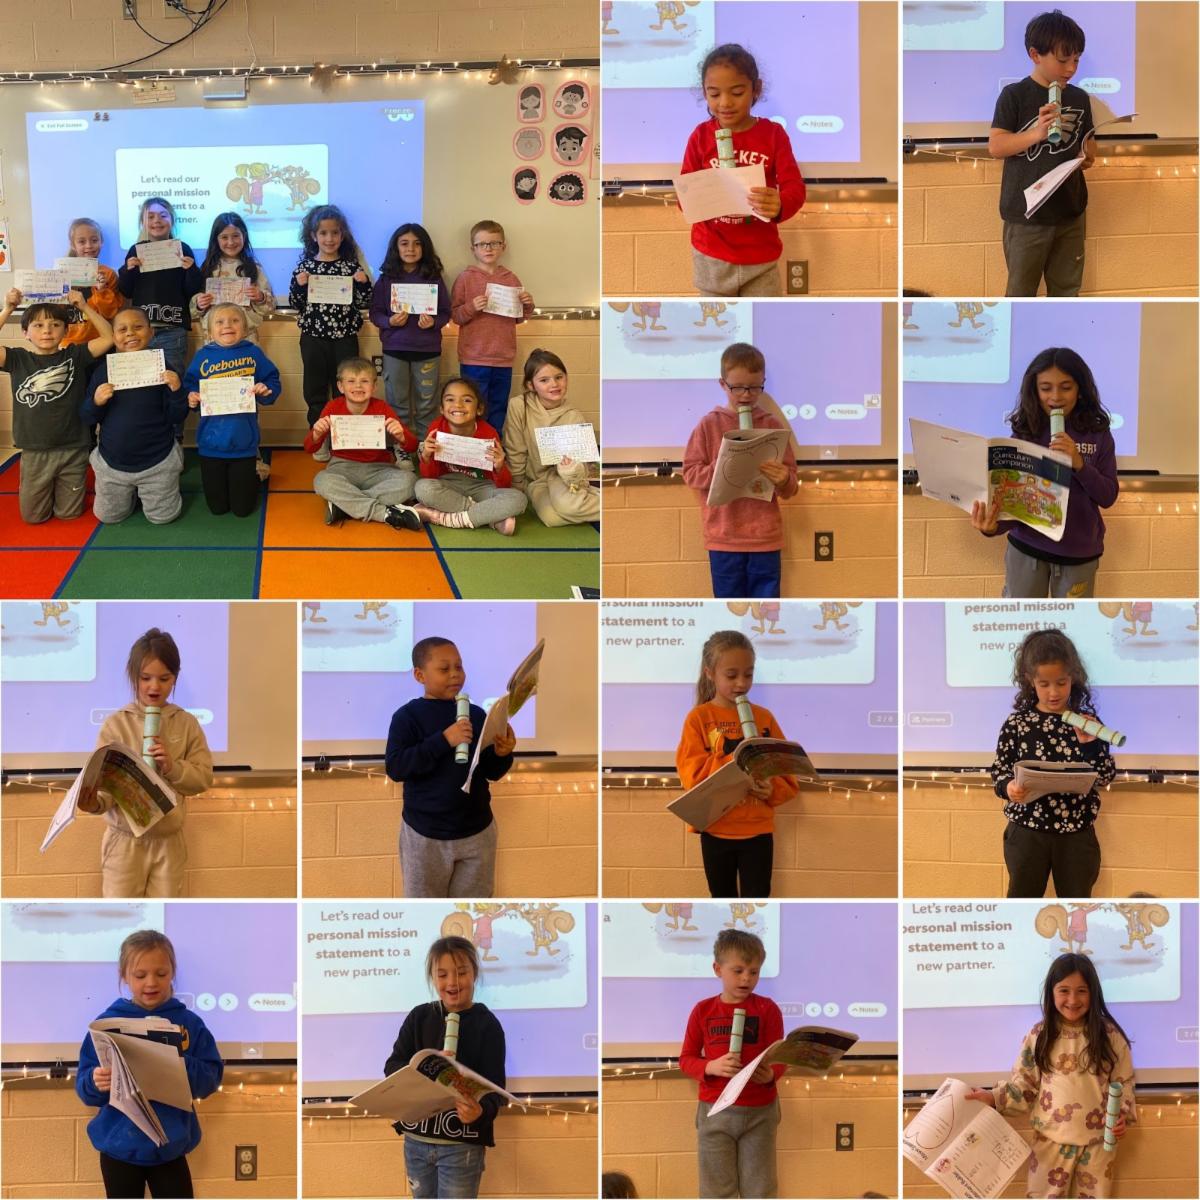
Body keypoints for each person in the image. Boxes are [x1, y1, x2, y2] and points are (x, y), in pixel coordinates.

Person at [966, 953, 1135, 1198]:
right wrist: (993, 1097)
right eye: (1064, 991)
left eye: (1082, 991)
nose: (1073, 1000)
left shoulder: (1110, 1036)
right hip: (1050, 1141)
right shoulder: (1039, 1035)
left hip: (1099, 1144)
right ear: (1051, 992)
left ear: (1093, 993)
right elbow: (1025, 1085)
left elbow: (1124, 1082)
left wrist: (1121, 1116)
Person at [76, 929, 223, 1199]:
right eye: (140, 975)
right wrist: (95, 1081)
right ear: (124, 975)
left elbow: (210, 1079)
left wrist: (175, 1062)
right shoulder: (106, 1024)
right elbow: (85, 1089)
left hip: (170, 1149)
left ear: (172, 972)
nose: (151, 983)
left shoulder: (189, 1023)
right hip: (118, 1149)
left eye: (161, 974)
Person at [971, 347, 1117, 598]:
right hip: (1027, 548)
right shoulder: (1026, 430)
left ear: (1080, 389)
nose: (1056, 397)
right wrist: (992, 527)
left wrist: (1079, 465)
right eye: (1046, 388)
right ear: (1035, 391)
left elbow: (1108, 496)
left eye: (1066, 387)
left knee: (1073, 617)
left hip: (1078, 554)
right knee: (1019, 615)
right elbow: (1016, 504)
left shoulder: (1097, 433)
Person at [79, 628, 213, 897]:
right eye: (145, 678)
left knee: (165, 906)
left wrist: (173, 768)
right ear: (133, 677)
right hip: (124, 842)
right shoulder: (116, 724)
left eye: (164, 678)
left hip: (168, 842)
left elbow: (203, 778)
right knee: (121, 908)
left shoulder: (186, 723)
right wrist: (93, 803)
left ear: (175, 677)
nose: (154, 687)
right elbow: (105, 789)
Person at [990, 628, 1117, 898]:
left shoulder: (1087, 722)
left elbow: (1105, 776)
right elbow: (999, 772)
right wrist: (1009, 787)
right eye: (1044, 684)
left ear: (1073, 677)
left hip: (1076, 833)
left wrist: (1090, 745)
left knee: (1076, 904)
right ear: (1030, 681)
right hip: (1027, 831)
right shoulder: (1017, 723)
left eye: (1061, 682)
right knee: (1022, 902)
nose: (1053, 692)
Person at [384, 636, 516, 897]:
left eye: (459, 666)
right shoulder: (406, 717)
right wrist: (444, 740)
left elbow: (491, 771)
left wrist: (502, 754)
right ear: (420, 675)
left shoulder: (477, 714)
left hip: (477, 832)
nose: (455, 674)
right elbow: (397, 767)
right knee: (426, 908)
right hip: (425, 835)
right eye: (444, 669)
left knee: (471, 908)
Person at [676, 630, 797, 897]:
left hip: (758, 831)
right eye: (731, 676)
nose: (741, 683)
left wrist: (771, 789)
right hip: (716, 831)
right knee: (722, 900)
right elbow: (691, 776)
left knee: (758, 897)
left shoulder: (764, 717)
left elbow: (787, 776)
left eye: (748, 674)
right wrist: (735, 758)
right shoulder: (699, 718)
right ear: (710, 673)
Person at [385, 936, 507, 1199]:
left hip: (461, 1147)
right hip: (416, 1142)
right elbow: (392, 1066)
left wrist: (480, 1112)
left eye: (461, 972)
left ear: (474, 973)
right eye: (442, 975)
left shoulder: (487, 1025)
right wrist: (422, 1069)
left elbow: (496, 1091)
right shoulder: (419, 1017)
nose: (452, 982)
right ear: (432, 977)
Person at [679, 43, 805, 296]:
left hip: (760, 258)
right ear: (704, 93)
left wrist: (780, 203)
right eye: (714, 94)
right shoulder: (700, 136)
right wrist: (695, 196)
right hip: (711, 257)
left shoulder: (773, 134)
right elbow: (685, 195)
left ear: (755, 89)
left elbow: (795, 188)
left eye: (737, 92)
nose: (725, 103)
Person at [989, 9, 1095, 296]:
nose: (1071, 68)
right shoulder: (1015, 95)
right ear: (1035, 54)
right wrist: (1037, 132)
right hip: (1027, 215)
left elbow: (1089, 145)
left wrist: (1087, 156)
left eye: (1076, 60)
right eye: (1063, 60)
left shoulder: (1079, 97)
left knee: (1067, 290)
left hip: (1070, 211)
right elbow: (996, 146)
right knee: (1020, 292)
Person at [682, 343, 798, 598]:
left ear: (763, 383)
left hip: (765, 539)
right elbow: (690, 473)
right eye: (737, 387)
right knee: (728, 607)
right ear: (723, 384)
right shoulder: (709, 424)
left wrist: (784, 479)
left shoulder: (772, 425)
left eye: (754, 387)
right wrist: (721, 467)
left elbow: (791, 486)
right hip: (724, 538)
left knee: (765, 608)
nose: (746, 395)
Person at [679, 929, 784, 1198]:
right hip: (715, 1111)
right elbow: (686, 1059)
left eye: (754, 972)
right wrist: (710, 1067)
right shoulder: (702, 1010)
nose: (746, 978)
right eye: (738, 971)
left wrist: (771, 1075)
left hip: (760, 1111)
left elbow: (780, 1058)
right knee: (716, 1190)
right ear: (718, 969)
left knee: (760, 1189)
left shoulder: (768, 1009)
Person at [0, 287, 114, 523]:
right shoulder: (18, 359)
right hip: (35, 449)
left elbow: (109, 338)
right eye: (38, 325)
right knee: (33, 517)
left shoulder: (75, 355)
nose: (47, 331)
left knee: (69, 514)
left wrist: (84, 306)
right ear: (25, 332)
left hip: (73, 447)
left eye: (55, 324)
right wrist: (8, 308)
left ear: (66, 330)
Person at [82, 307, 187, 525]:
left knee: (163, 518)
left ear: (151, 332)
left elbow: (177, 416)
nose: (130, 333)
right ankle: (129, 494)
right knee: (108, 517)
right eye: (122, 329)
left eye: (138, 327)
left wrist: (177, 390)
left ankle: (150, 489)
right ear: (113, 337)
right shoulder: (103, 371)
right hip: (112, 462)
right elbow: (87, 417)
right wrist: (96, 402)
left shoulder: (164, 369)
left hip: (158, 459)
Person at [289, 204, 372, 458]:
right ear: (313, 236)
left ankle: (342, 439)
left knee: (345, 389)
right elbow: (296, 303)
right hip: (313, 338)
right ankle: (320, 437)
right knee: (315, 390)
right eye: (323, 233)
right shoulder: (304, 268)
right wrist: (300, 286)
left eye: (335, 233)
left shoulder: (351, 268)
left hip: (344, 338)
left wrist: (363, 284)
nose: (329, 238)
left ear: (342, 235)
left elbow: (363, 302)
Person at [182, 303, 280, 517]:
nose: (227, 325)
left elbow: (272, 381)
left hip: (244, 443)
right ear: (209, 331)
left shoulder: (253, 353)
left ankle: (257, 472)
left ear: (245, 329)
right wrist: (192, 397)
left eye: (235, 321)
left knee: (242, 510)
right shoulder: (202, 356)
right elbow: (189, 386)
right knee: (217, 509)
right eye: (220, 322)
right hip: (211, 443)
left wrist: (265, 389)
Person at [303, 356, 422, 531]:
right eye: (351, 381)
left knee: (410, 481)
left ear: (374, 386)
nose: (358, 386)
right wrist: (316, 433)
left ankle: (344, 506)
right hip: (342, 468)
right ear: (340, 386)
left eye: (364, 381)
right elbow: (309, 447)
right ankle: (383, 513)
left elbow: (412, 446)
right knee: (322, 480)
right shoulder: (332, 407)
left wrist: (401, 436)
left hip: (379, 469)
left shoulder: (382, 408)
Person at [449, 220, 534, 435]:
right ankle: (472, 445)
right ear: (473, 249)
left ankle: (493, 442)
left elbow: (518, 318)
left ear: (503, 247)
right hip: (473, 358)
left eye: (494, 243)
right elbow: (456, 316)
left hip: (503, 357)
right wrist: (471, 307)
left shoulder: (511, 279)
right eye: (482, 244)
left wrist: (527, 305)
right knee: (472, 407)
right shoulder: (465, 278)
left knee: (498, 407)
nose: (488, 248)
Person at [413, 377, 528, 535]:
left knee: (519, 499)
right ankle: (490, 518)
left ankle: (444, 517)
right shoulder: (436, 428)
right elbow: (429, 476)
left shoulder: (489, 433)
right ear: (441, 408)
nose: (458, 405)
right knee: (423, 488)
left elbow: (503, 485)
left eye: (466, 400)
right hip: (449, 484)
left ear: (479, 409)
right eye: (450, 399)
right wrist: (426, 457)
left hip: (481, 486)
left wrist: (500, 467)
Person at [369, 223, 451, 443]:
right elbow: (375, 313)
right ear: (396, 248)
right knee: (397, 404)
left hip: (428, 351)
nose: (411, 249)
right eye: (404, 243)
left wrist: (433, 323)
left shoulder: (433, 278)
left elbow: (445, 313)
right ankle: (401, 447)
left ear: (425, 248)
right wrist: (389, 321)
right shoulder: (386, 279)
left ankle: (426, 448)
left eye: (417, 244)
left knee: (427, 405)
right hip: (394, 350)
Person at [502, 349, 599, 526]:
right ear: (531, 385)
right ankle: (590, 502)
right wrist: (517, 484)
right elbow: (515, 448)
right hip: (536, 482)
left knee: (569, 507)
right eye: (544, 380)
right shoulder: (519, 406)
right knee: (551, 518)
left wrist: (569, 470)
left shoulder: (574, 417)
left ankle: (620, 503)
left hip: (563, 479)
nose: (554, 384)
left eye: (559, 377)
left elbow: (581, 471)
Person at [116, 196, 203, 374]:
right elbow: (126, 291)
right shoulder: (135, 250)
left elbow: (191, 290)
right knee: (142, 377)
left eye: (163, 215)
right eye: (151, 216)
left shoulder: (183, 249)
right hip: (141, 329)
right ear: (143, 222)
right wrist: (127, 271)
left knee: (172, 377)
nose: (157, 220)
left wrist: (192, 270)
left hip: (173, 329)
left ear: (172, 220)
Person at [190, 212, 276, 342]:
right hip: (215, 339)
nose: (230, 242)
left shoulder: (253, 268)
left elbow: (270, 308)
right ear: (216, 239)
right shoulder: (208, 268)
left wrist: (260, 297)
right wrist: (199, 303)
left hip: (246, 338)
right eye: (224, 237)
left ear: (244, 236)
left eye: (236, 236)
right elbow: (192, 308)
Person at [59, 217, 124, 349]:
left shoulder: (108, 274)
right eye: (82, 241)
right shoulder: (61, 273)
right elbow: (54, 313)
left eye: (94, 240)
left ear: (101, 242)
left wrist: (102, 291)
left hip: (101, 342)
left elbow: (110, 314)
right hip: (67, 344)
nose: (89, 246)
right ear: (73, 245)